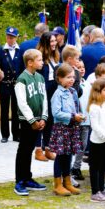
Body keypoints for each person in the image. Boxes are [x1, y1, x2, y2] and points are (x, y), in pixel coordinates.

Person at [13, 49, 48, 196]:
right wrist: (32, 120)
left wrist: (44, 117)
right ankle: (20, 180)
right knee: (24, 150)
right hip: (28, 121)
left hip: (39, 120)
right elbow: (22, 102)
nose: (42, 62)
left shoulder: (40, 78)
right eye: (39, 60)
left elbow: (44, 98)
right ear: (30, 62)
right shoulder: (22, 79)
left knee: (30, 150)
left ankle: (28, 178)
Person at [49, 64, 85, 196]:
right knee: (61, 156)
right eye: (68, 77)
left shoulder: (73, 92)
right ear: (59, 78)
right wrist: (71, 116)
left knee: (69, 155)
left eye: (73, 77)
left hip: (72, 127)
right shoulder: (57, 94)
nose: (72, 80)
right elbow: (56, 112)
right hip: (61, 128)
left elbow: (76, 107)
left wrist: (79, 115)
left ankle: (67, 182)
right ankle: (58, 184)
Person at [0, 26, 24, 143]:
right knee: (4, 111)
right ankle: (5, 135)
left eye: (12, 37)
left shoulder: (20, 51)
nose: (10, 39)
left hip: (17, 85)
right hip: (4, 84)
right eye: (8, 36)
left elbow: (23, 68)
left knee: (16, 110)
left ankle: (16, 134)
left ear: (16, 38)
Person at [35, 32, 60, 161]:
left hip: (53, 90)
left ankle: (48, 148)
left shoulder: (55, 56)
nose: (54, 43)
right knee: (41, 120)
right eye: (51, 41)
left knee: (50, 120)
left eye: (55, 41)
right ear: (45, 43)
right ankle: (38, 149)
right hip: (42, 90)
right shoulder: (39, 57)